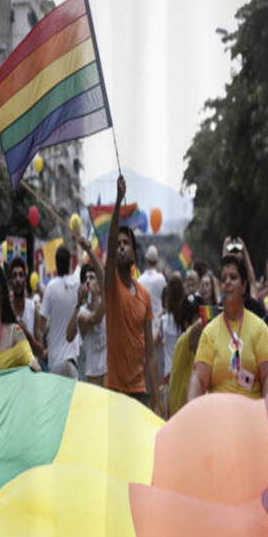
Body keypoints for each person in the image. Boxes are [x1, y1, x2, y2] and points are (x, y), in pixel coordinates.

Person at [104, 174, 160, 412]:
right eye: (118, 245)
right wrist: (118, 201)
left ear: (135, 254)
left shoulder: (145, 296)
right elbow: (108, 244)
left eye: (126, 244)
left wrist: (156, 396)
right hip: (114, 391)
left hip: (139, 393)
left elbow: (150, 353)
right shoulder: (111, 286)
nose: (121, 248)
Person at [187, 254, 268, 401]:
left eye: (233, 277)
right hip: (219, 416)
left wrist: (266, 412)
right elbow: (198, 379)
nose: (227, 283)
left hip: (251, 414)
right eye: (223, 279)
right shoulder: (210, 332)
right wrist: (191, 413)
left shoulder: (259, 328)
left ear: (243, 286)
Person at [66, 236, 106, 386]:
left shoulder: (107, 304)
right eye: (85, 278)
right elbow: (96, 318)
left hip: (108, 377)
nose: (88, 280)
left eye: (92, 277)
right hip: (91, 379)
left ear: (98, 284)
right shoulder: (81, 314)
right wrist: (77, 304)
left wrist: (89, 250)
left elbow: (104, 279)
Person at [38, 245, 81, 378]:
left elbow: (41, 325)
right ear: (69, 263)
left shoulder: (50, 287)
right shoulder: (76, 282)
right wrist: (77, 243)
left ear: (56, 264)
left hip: (54, 363)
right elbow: (80, 261)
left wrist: (51, 316)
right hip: (70, 362)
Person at [167, 292, 204, 417]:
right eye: (198, 317)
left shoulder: (206, 350)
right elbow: (199, 326)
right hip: (180, 421)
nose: (206, 326)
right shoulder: (183, 344)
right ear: (187, 324)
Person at [156, 276, 186, 410]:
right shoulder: (185, 321)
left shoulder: (164, 321)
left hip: (169, 375)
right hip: (184, 373)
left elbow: (155, 341)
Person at [9, 256, 42, 358]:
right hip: (11, 370)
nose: (17, 279)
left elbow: (40, 351)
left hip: (29, 370)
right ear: (10, 280)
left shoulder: (33, 308)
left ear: (25, 279)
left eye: (21, 275)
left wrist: (26, 334)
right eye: (14, 276)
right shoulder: (5, 310)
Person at [138, 244, 166, 337]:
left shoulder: (140, 280)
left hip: (143, 324)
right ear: (156, 261)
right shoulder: (161, 279)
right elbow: (165, 297)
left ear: (146, 260)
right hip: (158, 324)